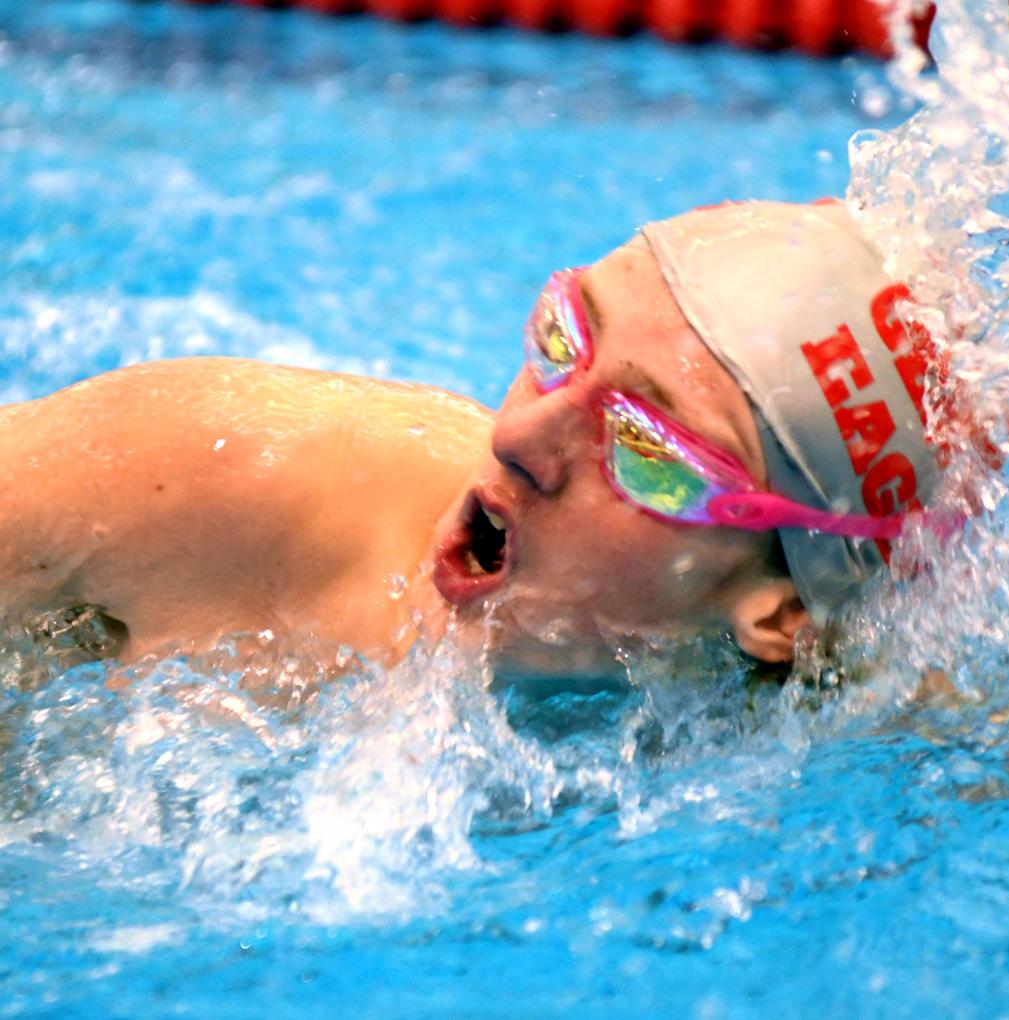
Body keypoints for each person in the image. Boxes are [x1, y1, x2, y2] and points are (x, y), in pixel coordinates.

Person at [0, 199, 943, 681]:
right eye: (562, 340)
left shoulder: (843, 731)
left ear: (780, 622)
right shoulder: (206, 473)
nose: (519, 432)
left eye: (646, 448)